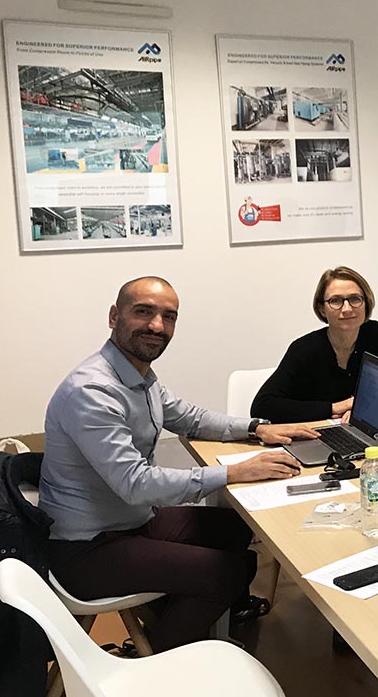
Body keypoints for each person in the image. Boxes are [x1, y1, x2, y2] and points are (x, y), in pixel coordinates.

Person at [38, 276, 317, 653]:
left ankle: (190, 622)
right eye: (144, 312)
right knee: (226, 572)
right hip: (87, 549)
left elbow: (191, 418)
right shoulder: (93, 391)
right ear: (114, 316)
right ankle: (152, 658)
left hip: (129, 523)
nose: (157, 325)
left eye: (168, 317)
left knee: (236, 529)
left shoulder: (138, 376)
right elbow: (135, 483)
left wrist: (256, 428)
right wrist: (234, 472)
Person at [251, 266, 378, 423]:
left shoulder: (374, 334)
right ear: (322, 309)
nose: (347, 309)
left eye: (355, 299)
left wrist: (362, 407)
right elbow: (261, 406)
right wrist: (334, 408)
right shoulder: (305, 349)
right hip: (313, 432)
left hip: (356, 430)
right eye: (336, 301)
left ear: (366, 303)